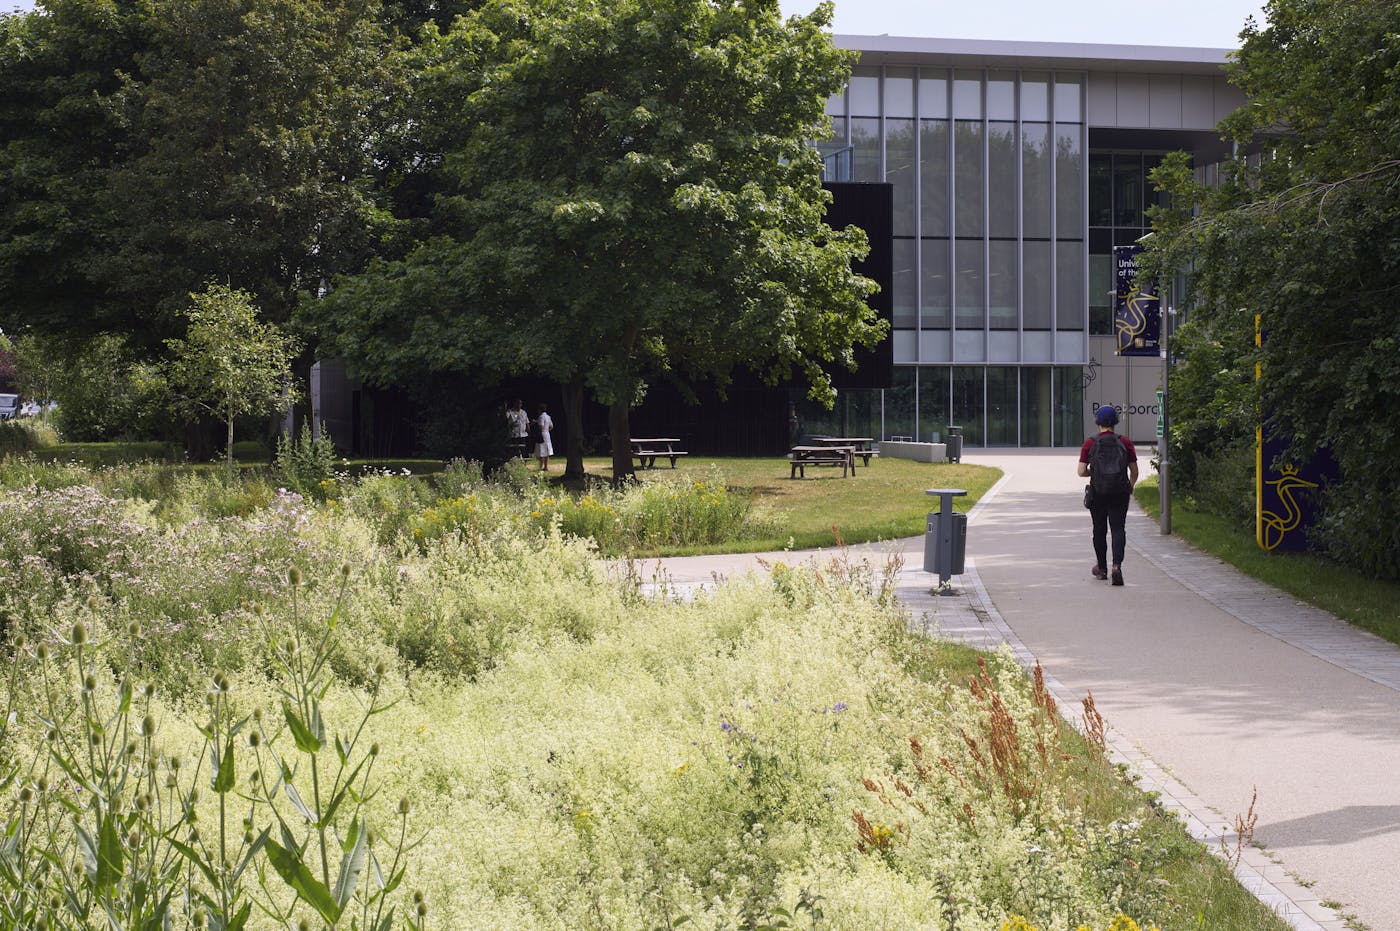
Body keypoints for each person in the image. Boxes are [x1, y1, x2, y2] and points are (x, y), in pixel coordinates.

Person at [1078, 406, 1139, 586]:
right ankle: (1117, 567)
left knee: (1099, 530)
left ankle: (1102, 569)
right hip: (1120, 492)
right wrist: (1130, 486)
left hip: (1098, 492)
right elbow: (1134, 471)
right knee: (1118, 529)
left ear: (1098, 423)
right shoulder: (1125, 442)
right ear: (1115, 422)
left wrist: (1095, 473)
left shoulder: (1090, 443)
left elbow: (1081, 471)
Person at [534, 403, 554, 471]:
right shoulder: (548, 416)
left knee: (541, 450)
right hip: (547, 434)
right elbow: (551, 426)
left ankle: (540, 467)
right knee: (546, 450)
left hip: (542, 434)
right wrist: (547, 429)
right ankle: (545, 467)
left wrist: (536, 423)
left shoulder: (541, 417)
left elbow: (541, 426)